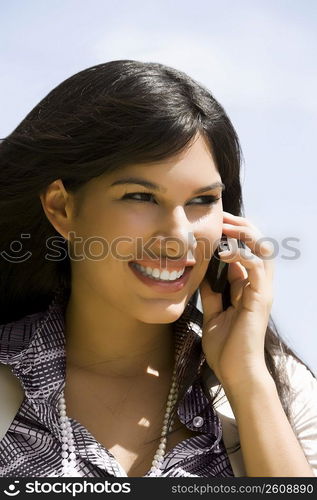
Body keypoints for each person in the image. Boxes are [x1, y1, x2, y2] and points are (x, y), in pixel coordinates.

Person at [0, 60, 316, 478]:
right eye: (141, 197)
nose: (180, 237)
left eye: (203, 200)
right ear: (62, 207)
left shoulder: (282, 388)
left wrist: (248, 381)